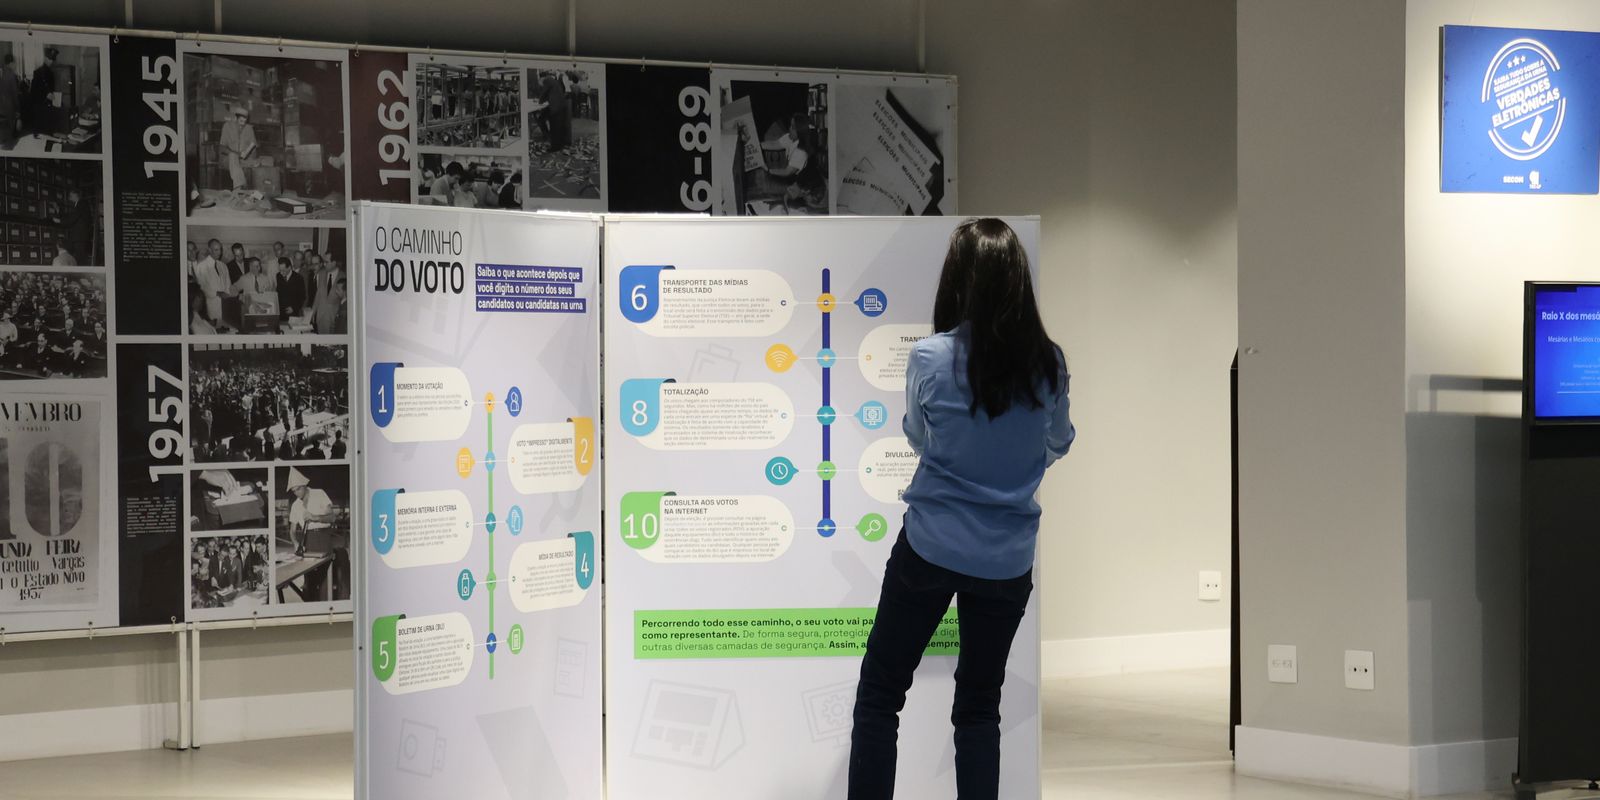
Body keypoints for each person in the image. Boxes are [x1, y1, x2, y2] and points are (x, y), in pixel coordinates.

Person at [848, 219, 1074, 800]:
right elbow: (1058, 442)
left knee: (880, 695)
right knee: (979, 705)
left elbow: (918, 437)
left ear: (958, 281)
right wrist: (1012, 468)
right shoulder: (1049, 363)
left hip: (931, 545)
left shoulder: (930, 357)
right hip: (1007, 558)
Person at [193, 239, 231, 326]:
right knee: (213, 327)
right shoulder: (202, 266)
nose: (219, 252)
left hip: (225, 304)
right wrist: (217, 293)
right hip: (210, 305)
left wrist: (228, 295)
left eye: (220, 249)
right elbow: (201, 287)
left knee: (226, 327)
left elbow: (228, 284)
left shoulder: (223, 266)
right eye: (216, 250)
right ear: (210, 250)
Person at [219, 104, 256, 191]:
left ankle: (255, 192)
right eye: (240, 121)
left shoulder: (249, 129)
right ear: (235, 118)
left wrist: (250, 156)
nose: (242, 126)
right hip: (228, 159)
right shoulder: (227, 126)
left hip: (243, 161)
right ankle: (239, 188)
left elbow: (253, 147)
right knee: (233, 156)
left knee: (266, 161)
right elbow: (222, 148)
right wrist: (237, 154)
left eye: (244, 122)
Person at [27, 48, 58, 136]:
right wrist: (45, 95)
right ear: (45, 58)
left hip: (49, 109)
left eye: (52, 59)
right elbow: (33, 93)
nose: (51, 61)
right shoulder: (37, 73)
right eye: (49, 59)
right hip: (39, 109)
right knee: (40, 134)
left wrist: (53, 96)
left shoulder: (51, 73)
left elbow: (52, 90)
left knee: (48, 132)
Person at [0, 54, 21, 150]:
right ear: (11, 63)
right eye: (15, 63)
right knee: (10, 134)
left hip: (1, 109)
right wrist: (18, 111)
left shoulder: (1, 72)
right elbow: (15, 95)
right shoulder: (11, 75)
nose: (15, 65)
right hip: (9, 109)